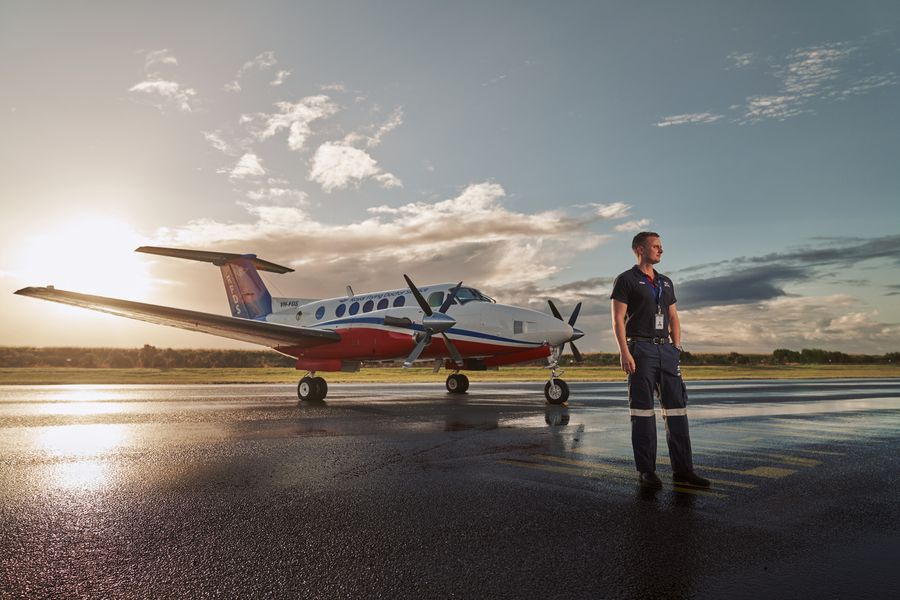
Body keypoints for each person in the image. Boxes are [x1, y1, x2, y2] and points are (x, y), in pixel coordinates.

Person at [610, 232, 710, 489]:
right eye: (655, 246)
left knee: (677, 410)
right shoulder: (626, 280)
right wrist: (624, 351)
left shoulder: (666, 282)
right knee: (642, 413)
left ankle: (683, 470)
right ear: (639, 249)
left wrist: (676, 347)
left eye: (661, 246)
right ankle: (647, 471)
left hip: (666, 351)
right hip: (640, 350)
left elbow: (674, 317)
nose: (660, 250)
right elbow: (618, 319)